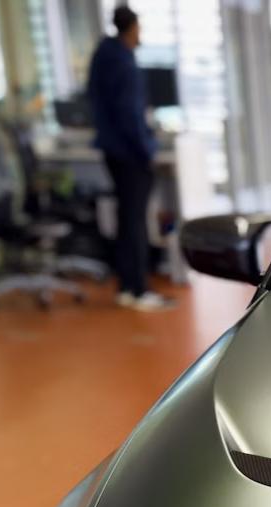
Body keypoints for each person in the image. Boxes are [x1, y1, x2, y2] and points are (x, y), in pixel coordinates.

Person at [87, 6, 171, 310]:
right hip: (129, 153)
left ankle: (126, 286)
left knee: (126, 220)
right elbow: (130, 114)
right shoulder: (123, 62)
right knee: (135, 222)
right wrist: (147, 150)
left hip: (112, 149)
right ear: (132, 28)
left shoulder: (103, 55)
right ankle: (138, 290)